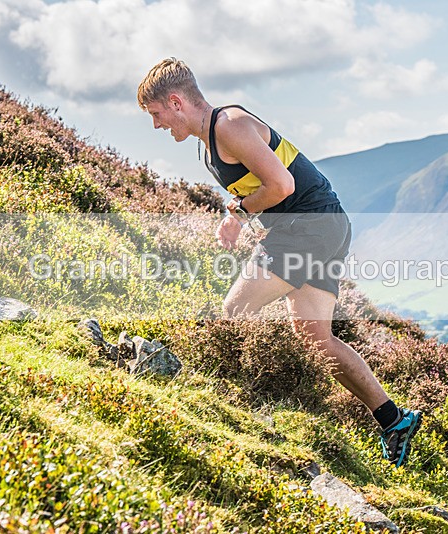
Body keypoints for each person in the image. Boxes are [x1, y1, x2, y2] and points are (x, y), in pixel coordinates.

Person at [137, 57, 421, 466]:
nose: (157, 125)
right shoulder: (209, 145)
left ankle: (240, 404)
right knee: (316, 342)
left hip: (310, 228)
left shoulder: (229, 125)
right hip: (324, 226)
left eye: (156, 114)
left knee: (234, 309)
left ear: (177, 101)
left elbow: (282, 184)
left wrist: (237, 216)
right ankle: (394, 420)